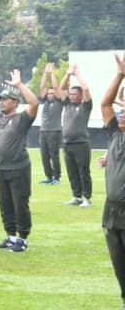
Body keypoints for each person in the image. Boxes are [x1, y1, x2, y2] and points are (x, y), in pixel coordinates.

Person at [0, 65, 38, 253]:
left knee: (20, 204)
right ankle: (10, 236)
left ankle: (23, 239)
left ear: (15, 102)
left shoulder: (22, 119)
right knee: (5, 204)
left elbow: (34, 103)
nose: (0, 102)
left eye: (4, 99)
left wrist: (19, 85)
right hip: (1, 169)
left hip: (18, 169)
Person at [95, 52, 125, 310]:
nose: (122, 114)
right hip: (111, 209)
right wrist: (120, 74)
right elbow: (105, 103)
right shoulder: (115, 133)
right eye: (122, 111)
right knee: (119, 261)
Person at [59, 64, 94, 208]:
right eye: (71, 94)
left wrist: (77, 74)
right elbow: (61, 89)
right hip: (67, 144)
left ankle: (87, 198)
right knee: (71, 171)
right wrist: (67, 74)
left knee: (83, 171)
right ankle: (77, 196)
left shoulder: (86, 106)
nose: (72, 96)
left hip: (81, 144)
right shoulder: (68, 105)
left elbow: (86, 89)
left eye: (75, 94)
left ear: (80, 96)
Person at [37, 63, 64, 185]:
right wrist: (45, 72)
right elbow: (42, 86)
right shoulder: (45, 101)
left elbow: (56, 87)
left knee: (54, 155)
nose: (49, 94)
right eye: (48, 93)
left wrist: (52, 72)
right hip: (43, 131)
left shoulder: (59, 102)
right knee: (44, 156)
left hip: (54, 131)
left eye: (51, 93)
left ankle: (56, 177)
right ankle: (48, 177)